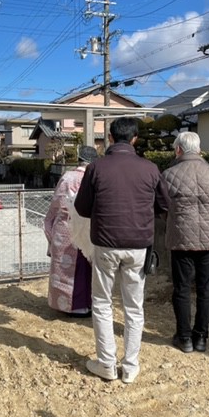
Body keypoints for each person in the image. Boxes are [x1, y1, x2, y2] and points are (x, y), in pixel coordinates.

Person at [74, 117, 170, 384]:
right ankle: (130, 366)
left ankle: (106, 363)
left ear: (111, 138)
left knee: (102, 303)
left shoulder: (96, 168)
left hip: (105, 243)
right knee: (134, 307)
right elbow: (164, 206)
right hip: (138, 246)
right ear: (135, 138)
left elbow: (82, 208)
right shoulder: (150, 169)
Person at [162, 131, 209, 353]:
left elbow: (162, 206)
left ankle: (184, 337)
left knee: (182, 289)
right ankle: (201, 338)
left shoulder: (168, 174)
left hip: (181, 239)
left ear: (178, 149)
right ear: (199, 149)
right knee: (206, 290)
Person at [44, 145, 98, 317]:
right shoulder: (95, 176)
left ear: (79, 159)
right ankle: (89, 304)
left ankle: (68, 305)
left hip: (66, 226)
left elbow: (57, 204)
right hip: (88, 227)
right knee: (87, 267)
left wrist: (50, 225)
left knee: (66, 269)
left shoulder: (67, 177)